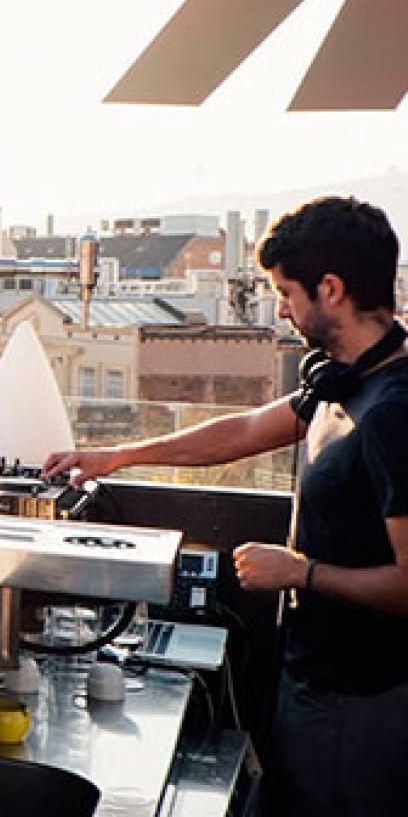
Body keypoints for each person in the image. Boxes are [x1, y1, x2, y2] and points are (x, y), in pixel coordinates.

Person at [41, 196, 408, 817]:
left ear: (332, 288)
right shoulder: (339, 382)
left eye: (286, 293)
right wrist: (116, 457)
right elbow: (241, 432)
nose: (281, 309)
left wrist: (299, 572)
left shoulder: (394, 411)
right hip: (313, 680)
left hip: (363, 703)